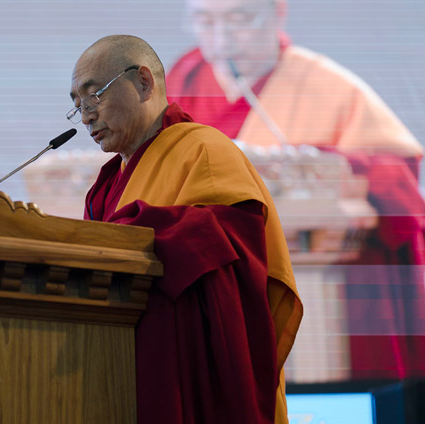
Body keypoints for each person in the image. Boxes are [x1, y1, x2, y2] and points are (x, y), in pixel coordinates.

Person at [166, 0, 425, 379]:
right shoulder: (184, 78)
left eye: (238, 19)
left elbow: (395, 173)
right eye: (205, 20)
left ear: (278, 12)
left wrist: (321, 163)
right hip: (216, 269)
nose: (220, 37)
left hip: (313, 269)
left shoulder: (324, 84)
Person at [70, 34, 302, 424]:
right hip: (120, 377)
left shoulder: (205, 151)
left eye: (94, 96)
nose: (86, 116)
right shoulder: (106, 187)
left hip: (189, 387)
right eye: (76, 105)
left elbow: (234, 268)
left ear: (144, 82)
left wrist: (135, 233)